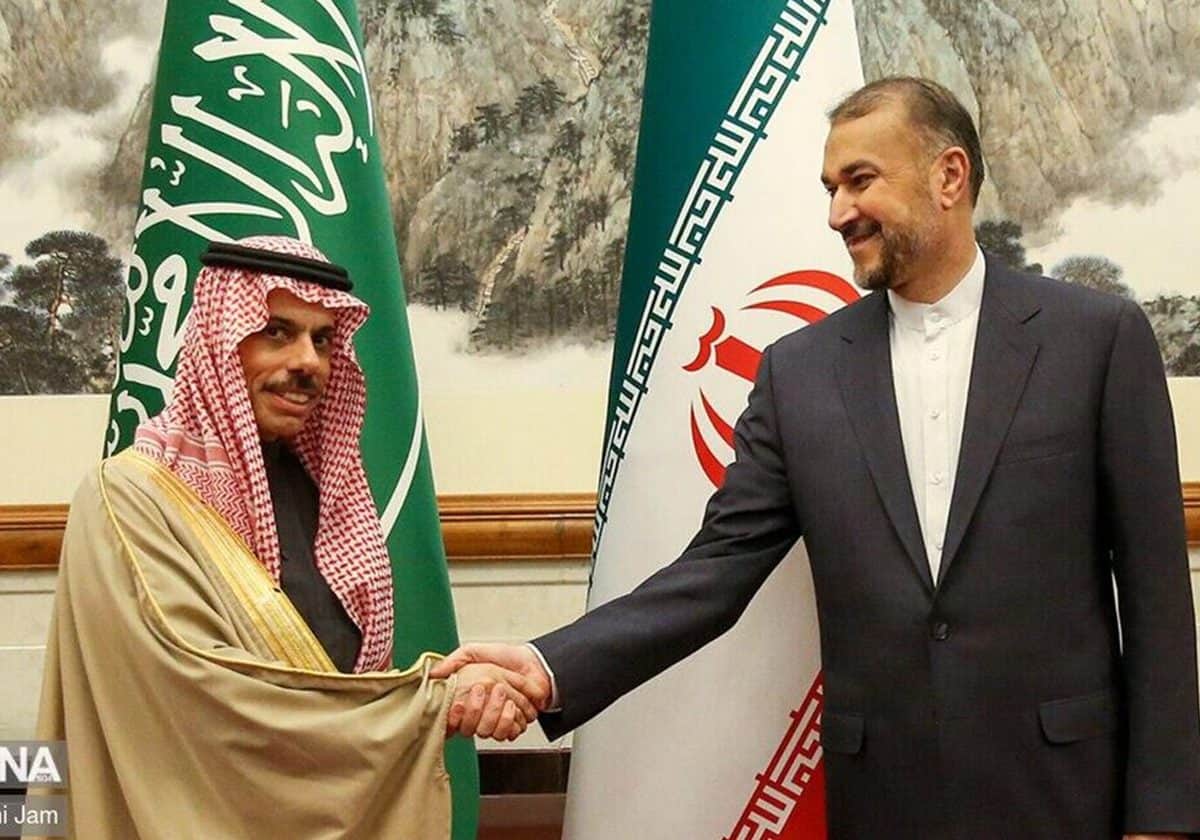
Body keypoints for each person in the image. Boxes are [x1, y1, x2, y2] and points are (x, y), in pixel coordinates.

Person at [433, 78, 1200, 839]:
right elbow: (712, 575)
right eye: (831, 189)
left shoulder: (1097, 340)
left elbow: (1157, 597)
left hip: (1063, 796)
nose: (838, 213)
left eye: (860, 181)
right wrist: (546, 666)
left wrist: (1162, 819)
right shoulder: (798, 373)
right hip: (884, 801)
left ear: (949, 176)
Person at [36, 235, 536, 839]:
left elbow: (343, 685)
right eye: (277, 332)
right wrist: (429, 703)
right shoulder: (128, 499)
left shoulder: (327, 493)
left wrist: (431, 703)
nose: (309, 363)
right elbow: (209, 697)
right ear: (218, 343)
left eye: (322, 340)